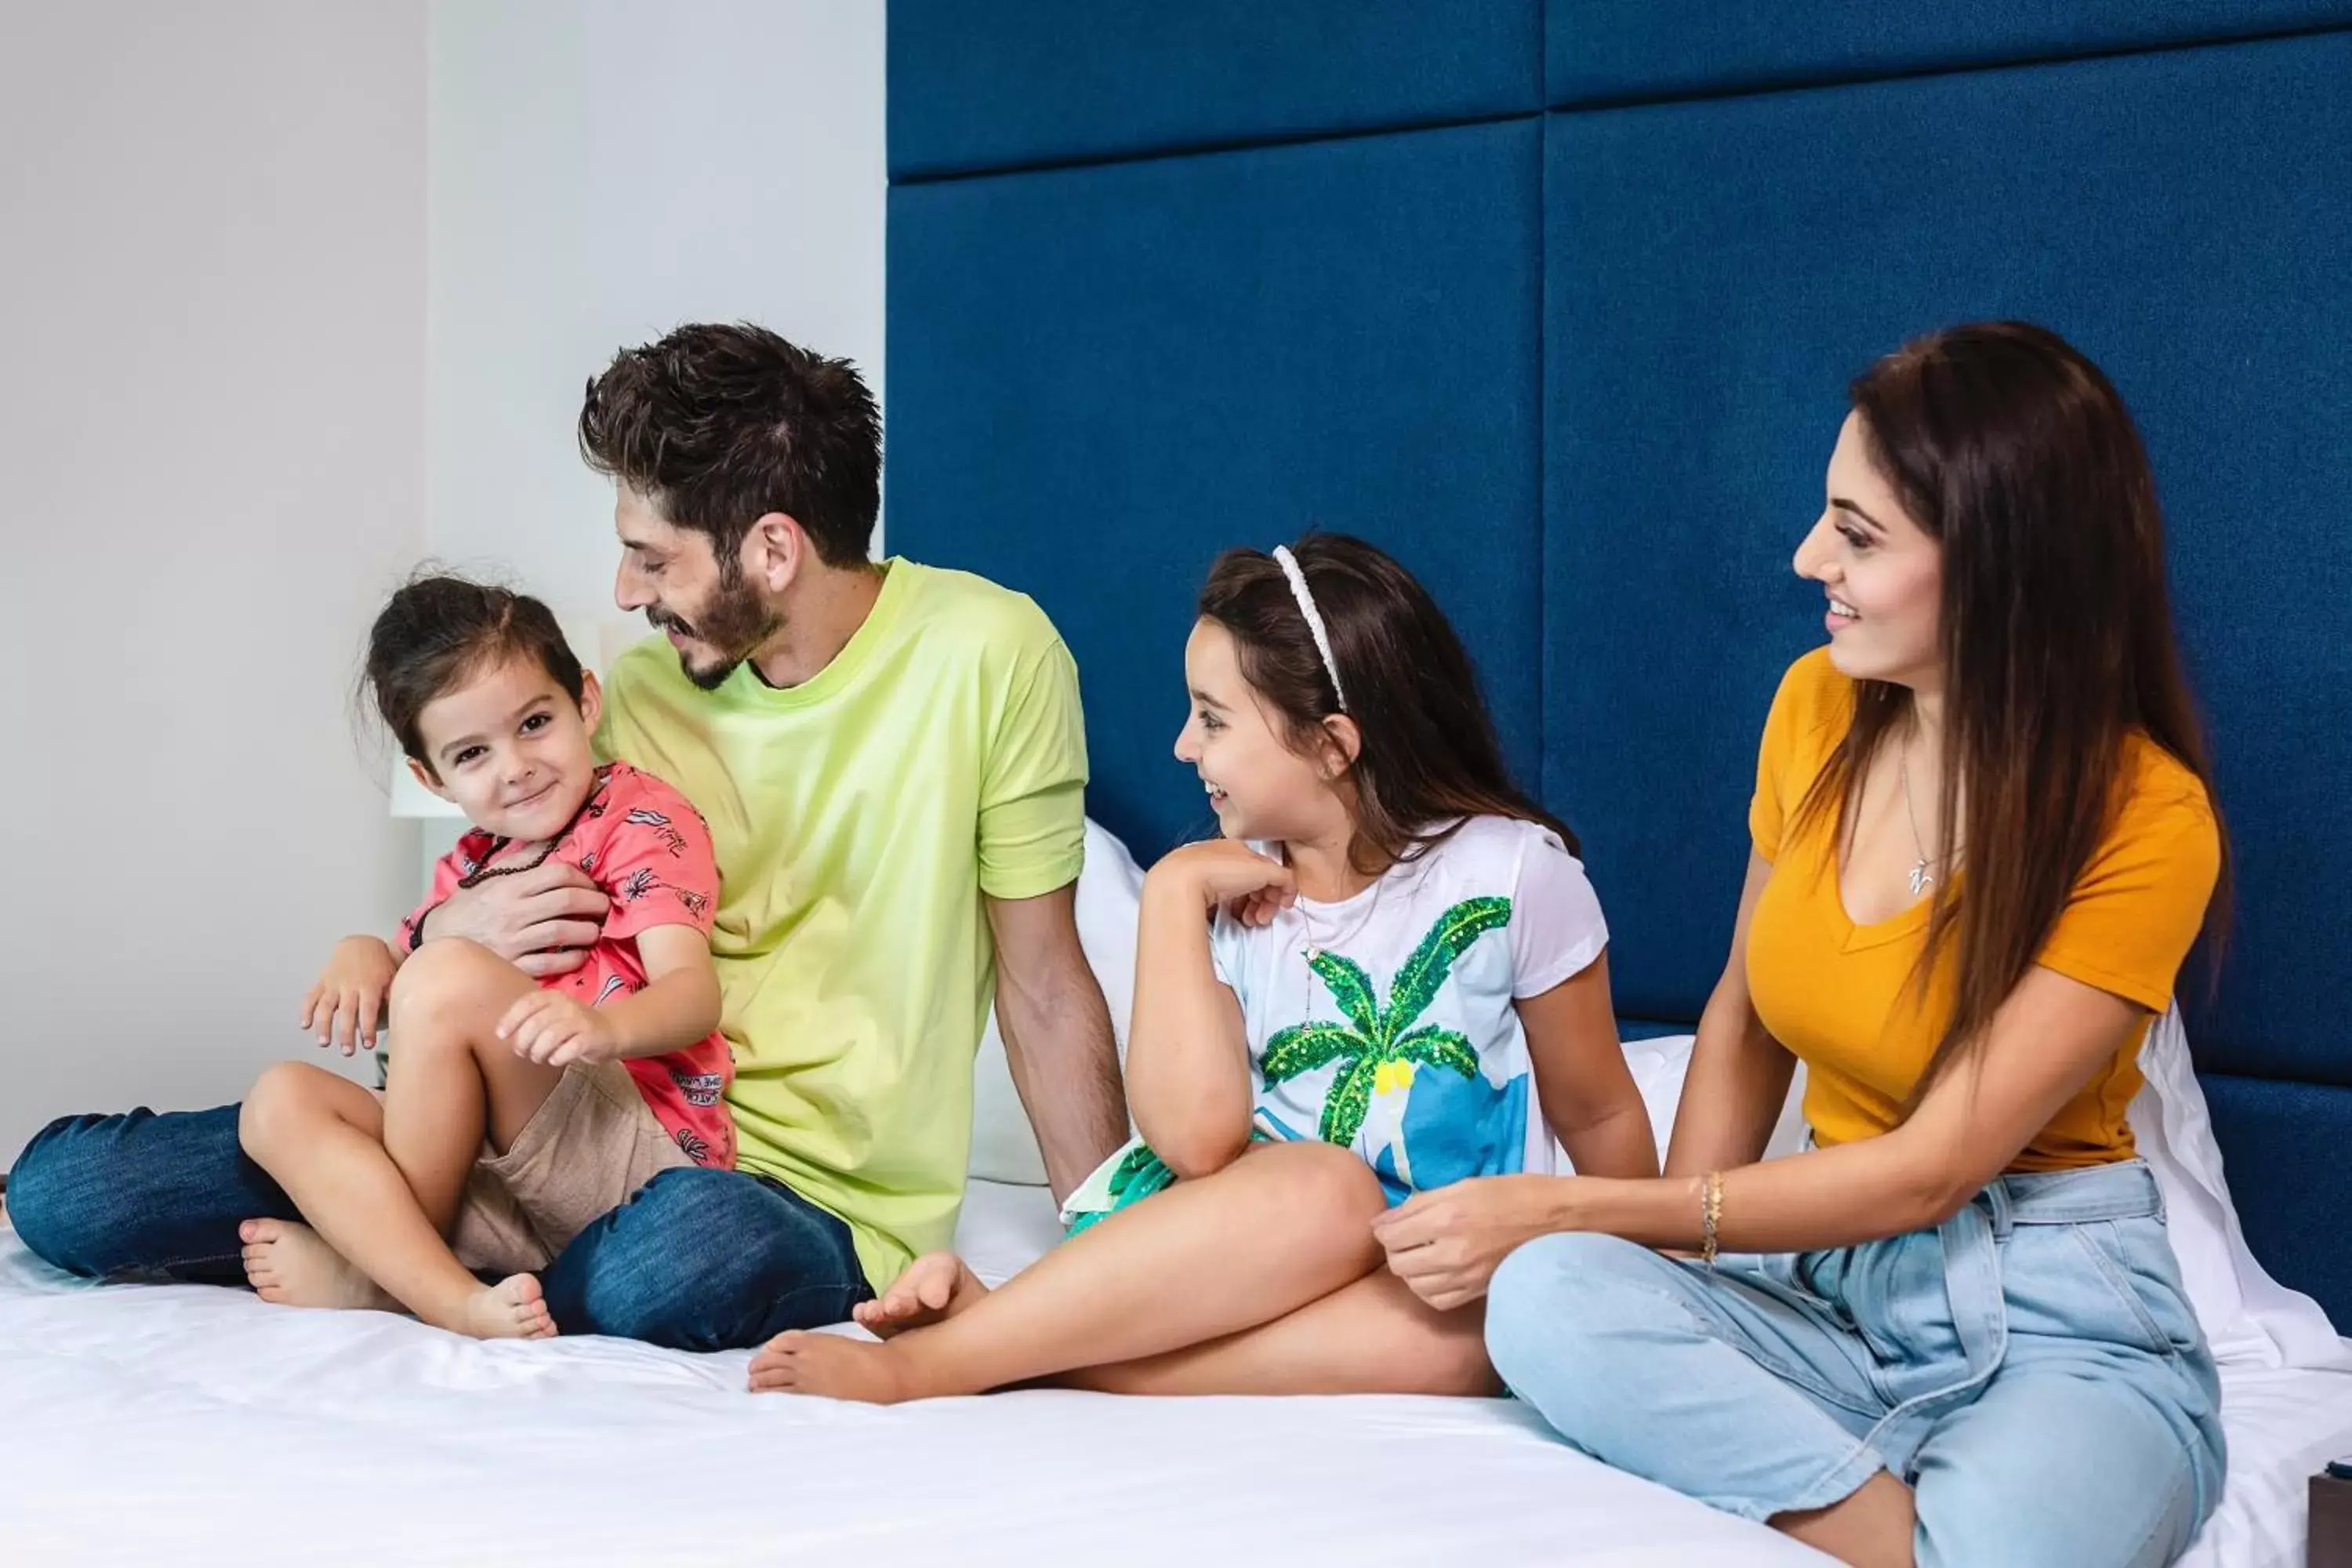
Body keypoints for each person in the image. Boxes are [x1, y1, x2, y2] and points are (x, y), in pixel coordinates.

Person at [5, 324, 1129, 1348]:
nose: (626, 588)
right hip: (548, 1130)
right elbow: (470, 968)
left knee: (690, 1256)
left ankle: (402, 1268)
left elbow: (1041, 987)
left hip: (787, 1193)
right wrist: (445, 923)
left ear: (773, 551)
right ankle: (437, 1258)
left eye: (654, 556)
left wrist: (1111, 1252)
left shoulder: (991, 655)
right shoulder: (624, 696)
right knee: (66, 1193)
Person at [1479, 323, 2227, 1568]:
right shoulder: (1816, 706)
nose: (1808, 558)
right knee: (1550, 1297)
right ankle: (1910, 1530)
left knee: (2014, 1544)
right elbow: (1743, 1017)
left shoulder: (2147, 816)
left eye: (1859, 536)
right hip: (1828, 1291)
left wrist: (1577, 1200)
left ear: (2003, 566)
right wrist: (1644, 1238)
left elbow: (1935, 1169)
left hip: (2055, 1308)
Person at [749, 534, 1657, 1402]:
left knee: (1483, 1330)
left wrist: (1642, 1276)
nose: (1184, 745)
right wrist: (1175, 897)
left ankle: (1032, 1351)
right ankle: (937, 1368)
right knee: (1328, 1185)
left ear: (1334, 744)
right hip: (1237, 1248)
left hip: (1423, 1281)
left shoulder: (1512, 873)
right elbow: (1192, 1142)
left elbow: (1601, 1108)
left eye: (1213, 720)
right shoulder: (1231, 894)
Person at [238, 575, 731, 1340]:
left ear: (586, 703)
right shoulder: (468, 868)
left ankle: (387, 1279)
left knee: (443, 973)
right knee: (279, 1099)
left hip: (632, 1156)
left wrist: (604, 1027)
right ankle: (443, 1288)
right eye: (473, 752)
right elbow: (409, 963)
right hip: (491, 1177)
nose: (516, 765)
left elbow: (693, 994)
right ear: (433, 779)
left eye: (536, 722)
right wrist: (361, 951)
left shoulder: (637, 818)